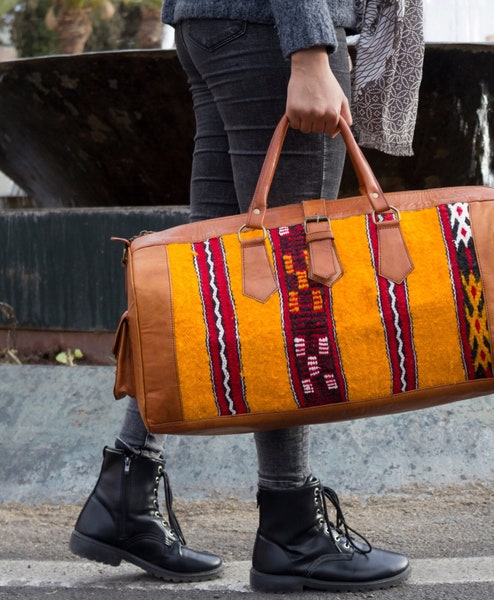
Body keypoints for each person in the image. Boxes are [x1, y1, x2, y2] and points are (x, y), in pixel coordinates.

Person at [69, 0, 424, 593]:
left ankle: (126, 490)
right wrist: (309, 48)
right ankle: (292, 530)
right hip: (275, 28)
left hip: (217, 24)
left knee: (205, 276)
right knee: (295, 282)